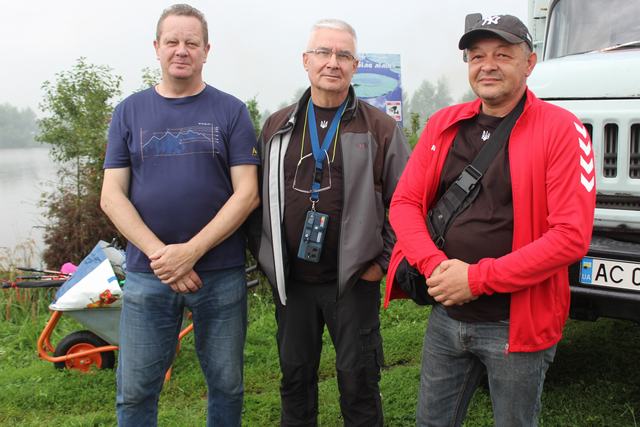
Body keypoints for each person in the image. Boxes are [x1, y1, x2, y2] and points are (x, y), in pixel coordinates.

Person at [384, 14, 596, 427]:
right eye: (477, 56)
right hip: (447, 317)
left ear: (529, 63)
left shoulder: (561, 129)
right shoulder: (444, 124)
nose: (488, 65)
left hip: (516, 324)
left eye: (503, 54)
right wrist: (435, 266)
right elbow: (404, 202)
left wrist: (476, 279)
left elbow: (570, 237)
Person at [100, 4, 259, 426]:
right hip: (148, 274)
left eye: (191, 42)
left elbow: (247, 194)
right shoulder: (129, 112)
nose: (181, 50)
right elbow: (112, 197)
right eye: (172, 41)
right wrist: (164, 257)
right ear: (157, 47)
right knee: (135, 391)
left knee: (226, 386)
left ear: (207, 50)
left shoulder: (231, 111)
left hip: (220, 274)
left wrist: (191, 252)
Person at [250, 19, 410, 427]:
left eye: (343, 55)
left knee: (359, 383)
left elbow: (406, 203)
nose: (332, 62)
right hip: (293, 285)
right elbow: (255, 201)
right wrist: (268, 261)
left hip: (353, 283)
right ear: (306, 60)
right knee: (295, 381)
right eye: (323, 52)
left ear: (356, 65)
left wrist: (382, 263)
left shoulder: (380, 128)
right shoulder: (277, 126)